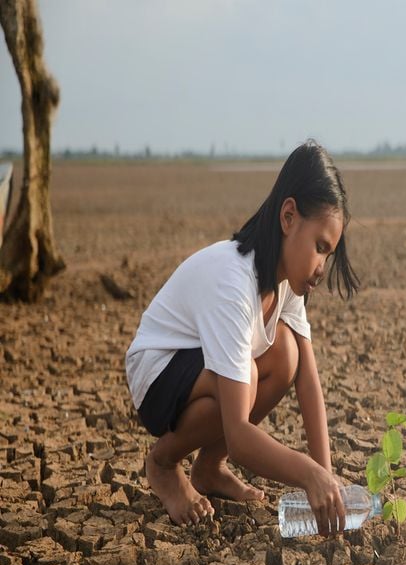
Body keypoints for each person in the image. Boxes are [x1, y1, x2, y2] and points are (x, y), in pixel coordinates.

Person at [125, 140, 357, 536]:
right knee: (244, 377)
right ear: (288, 216)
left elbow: (307, 379)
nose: (321, 267)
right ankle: (163, 464)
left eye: (328, 255)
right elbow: (240, 435)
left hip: (197, 368)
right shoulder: (234, 280)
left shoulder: (284, 283)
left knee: (285, 353)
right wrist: (307, 475)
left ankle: (209, 467)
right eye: (320, 247)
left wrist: (327, 481)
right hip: (158, 372)